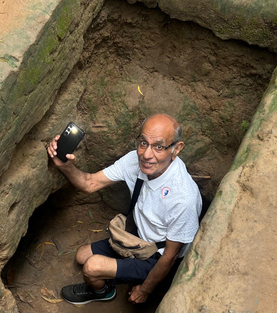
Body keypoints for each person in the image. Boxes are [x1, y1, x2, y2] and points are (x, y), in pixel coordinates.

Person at [46, 113, 202, 305]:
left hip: (157, 254)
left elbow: (170, 256)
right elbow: (90, 183)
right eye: (143, 143)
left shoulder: (183, 197)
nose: (146, 154)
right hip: (138, 237)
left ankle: (103, 292)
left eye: (159, 147)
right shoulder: (134, 161)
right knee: (81, 255)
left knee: (91, 267)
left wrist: (145, 290)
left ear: (176, 149)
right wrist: (65, 165)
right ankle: (118, 274)